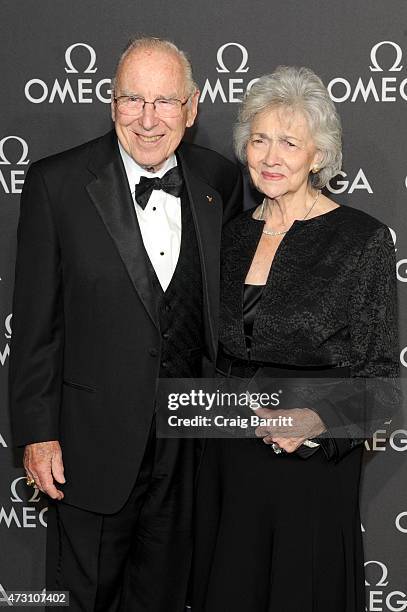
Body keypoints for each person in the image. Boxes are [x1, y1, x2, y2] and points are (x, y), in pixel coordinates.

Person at [9, 37, 242, 611]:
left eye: (164, 102)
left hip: (187, 448)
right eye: (132, 100)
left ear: (191, 108)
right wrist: (37, 434)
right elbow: (35, 325)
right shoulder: (55, 184)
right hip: (89, 447)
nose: (147, 119)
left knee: (165, 597)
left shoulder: (223, 181)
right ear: (111, 104)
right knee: (84, 599)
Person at [191, 66, 399, 611]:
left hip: (308, 468)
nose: (271, 156)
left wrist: (317, 420)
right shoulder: (229, 236)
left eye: (289, 142)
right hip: (230, 461)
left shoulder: (362, 240)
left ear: (319, 156)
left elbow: (383, 378)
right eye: (259, 139)